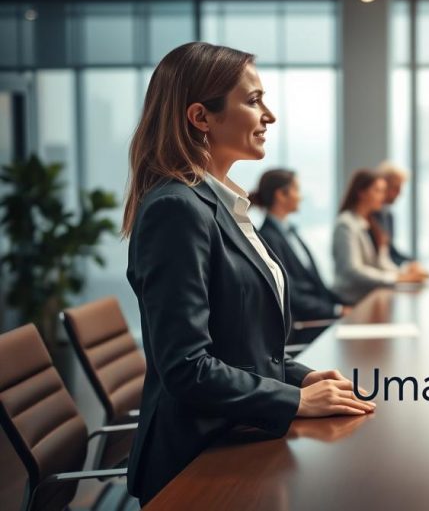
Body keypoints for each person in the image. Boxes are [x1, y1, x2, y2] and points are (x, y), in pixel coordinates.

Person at [122, 42, 374, 505]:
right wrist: (294, 401)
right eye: (254, 100)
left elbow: (238, 343)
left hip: (238, 434)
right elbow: (187, 367)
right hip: (198, 462)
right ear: (201, 117)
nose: (269, 115)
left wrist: (298, 378)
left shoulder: (221, 204)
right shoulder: (177, 210)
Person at [251, 169, 347, 332]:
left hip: (321, 316)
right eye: (297, 189)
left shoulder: (291, 232)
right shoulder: (268, 238)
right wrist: (335, 311)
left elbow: (315, 283)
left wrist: (343, 305)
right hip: (305, 326)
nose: (300, 196)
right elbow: (290, 295)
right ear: (281, 195)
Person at [332, 169, 427, 304]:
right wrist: (396, 278)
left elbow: (381, 262)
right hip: (352, 300)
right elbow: (353, 270)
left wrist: (404, 273)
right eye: (377, 191)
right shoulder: (346, 224)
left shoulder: (370, 222)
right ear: (362, 193)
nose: (382, 197)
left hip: (371, 297)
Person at [373, 161, 417, 267]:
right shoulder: (367, 217)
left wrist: (413, 262)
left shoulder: (388, 216)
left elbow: (391, 252)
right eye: (396, 188)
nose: (399, 193)